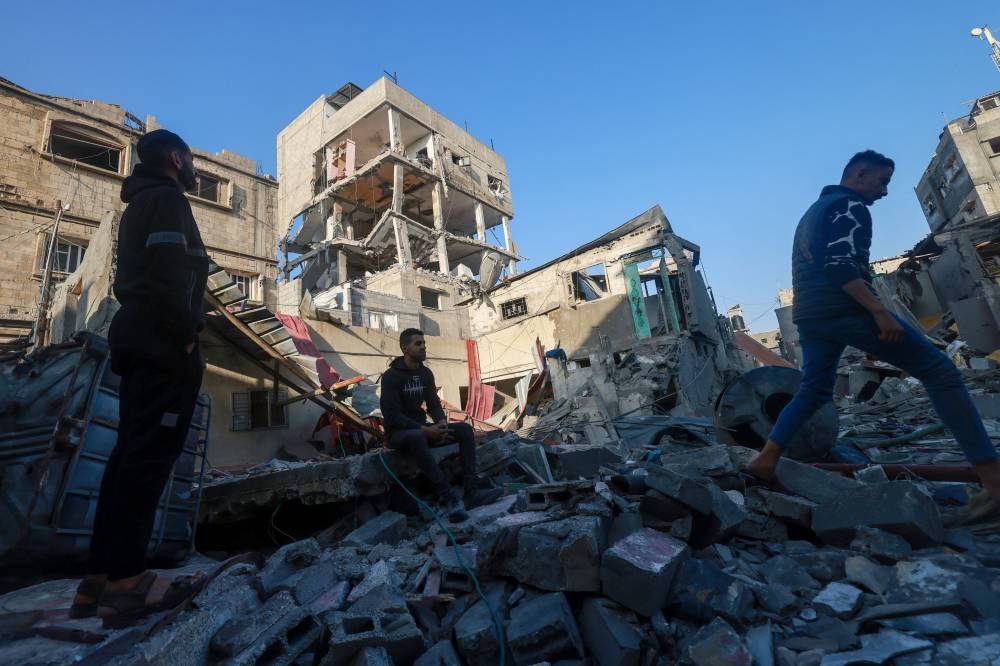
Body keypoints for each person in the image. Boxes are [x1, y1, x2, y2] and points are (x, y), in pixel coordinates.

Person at [746, 150, 1000, 499]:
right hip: (843, 308)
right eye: (883, 182)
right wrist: (879, 311)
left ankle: (766, 459)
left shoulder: (813, 212)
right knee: (940, 372)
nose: (884, 192)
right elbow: (839, 265)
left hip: (810, 315)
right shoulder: (850, 207)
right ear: (860, 175)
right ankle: (992, 477)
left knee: (815, 389)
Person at [71, 129, 210, 627]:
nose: (193, 169)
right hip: (163, 343)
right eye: (191, 159)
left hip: (140, 338)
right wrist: (186, 333)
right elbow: (174, 272)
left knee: (129, 454)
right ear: (175, 158)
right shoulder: (168, 200)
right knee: (148, 459)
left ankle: (98, 579)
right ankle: (127, 583)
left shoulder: (141, 203)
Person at [381, 328, 498, 521]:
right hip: (399, 435)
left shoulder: (425, 373)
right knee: (417, 436)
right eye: (418, 343)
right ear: (405, 348)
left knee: (464, 429)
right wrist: (426, 430)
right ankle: (449, 497)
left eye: (424, 343)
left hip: (424, 429)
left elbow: (433, 403)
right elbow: (392, 416)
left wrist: (441, 424)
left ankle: (471, 492)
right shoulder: (391, 376)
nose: (423, 347)